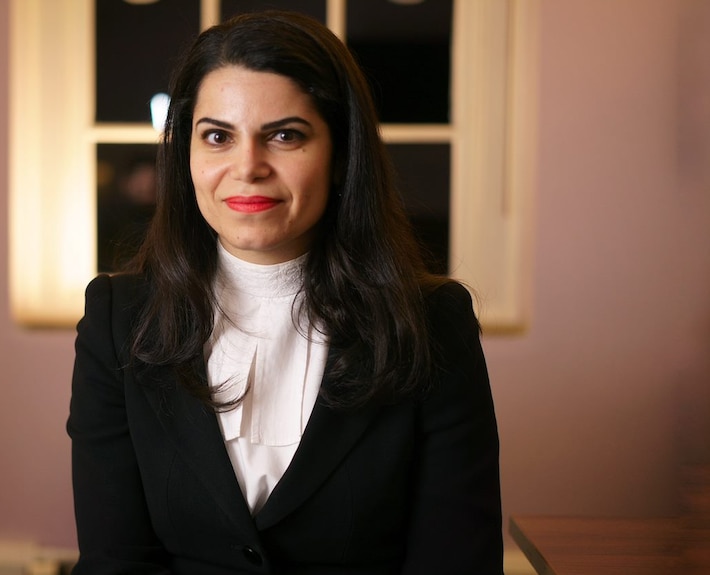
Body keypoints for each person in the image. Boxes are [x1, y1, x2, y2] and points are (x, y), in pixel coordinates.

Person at [68, 10, 502, 575]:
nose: (248, 167)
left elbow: (455, 563)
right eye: (218, 136)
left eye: (285, 135)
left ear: (341, 155)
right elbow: (113, 562)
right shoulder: (117, 318)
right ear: (187, 156)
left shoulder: (432, 322)